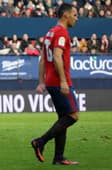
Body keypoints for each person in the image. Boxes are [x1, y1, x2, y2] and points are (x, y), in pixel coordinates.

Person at [32, 3, 79, 165]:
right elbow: (57, 56)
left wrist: (42, 81)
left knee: (63, 118)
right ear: (65, 15)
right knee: (73, 116)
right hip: (60, 82)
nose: (76, 18)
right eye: (74, 14)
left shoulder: (50, 33)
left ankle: (59, 157)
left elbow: (42, 59)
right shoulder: (61, 33)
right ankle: (40, 141)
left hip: (51, 81)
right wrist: (64, 81)